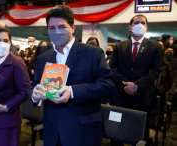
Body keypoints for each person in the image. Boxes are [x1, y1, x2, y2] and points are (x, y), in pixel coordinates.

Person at [28, 5, 115, 146]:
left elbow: (108, 85)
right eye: (52, 28)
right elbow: (34, 85)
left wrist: (73, 91)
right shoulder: (43, 57)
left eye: (62, 27)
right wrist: (34, 94)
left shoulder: (93, 53)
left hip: (82, 129)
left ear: (72, 28)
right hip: (52, 129)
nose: (57, 32)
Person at [109, 14, 163, 145]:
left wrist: (137, 85)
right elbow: (112, 67)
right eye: (136, 22)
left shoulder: (155, 48)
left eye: (143, 23)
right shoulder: (119, 46)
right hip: (120, 96)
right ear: (130, 27)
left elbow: (155, 70)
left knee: (140, 136)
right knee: (116, 133)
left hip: (143, 97)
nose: (140, 25)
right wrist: (126, 85)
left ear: (146, 27)